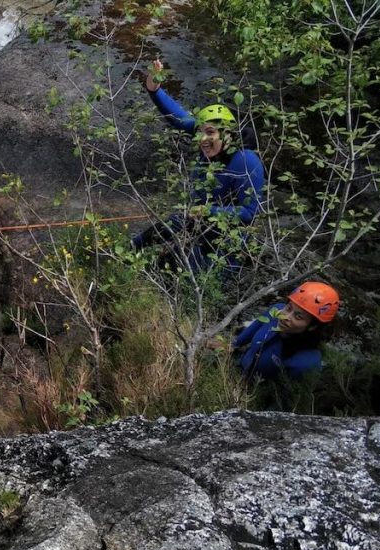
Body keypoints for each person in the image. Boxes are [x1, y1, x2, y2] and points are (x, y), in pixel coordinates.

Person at [133, 59, 266, 272]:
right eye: (201, 131)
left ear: (228, 133)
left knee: (186, 277)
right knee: (155, 240)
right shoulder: (205, 137)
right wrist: (154, 88)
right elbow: (177, 116)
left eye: (211, 132)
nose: (203, 139)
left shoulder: (246, 162)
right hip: (197, 217)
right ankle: (129, 250)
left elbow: (249, 212)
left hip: (226, 238)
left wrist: (208, 210)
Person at [231, 281, 339, 410]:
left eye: (298, 317)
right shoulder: (275, 311)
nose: (285, 317)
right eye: (288, 308)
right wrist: (228, 346)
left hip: (254, 396)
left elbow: (282, 402)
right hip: (238, 367)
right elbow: (245, 336)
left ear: (313, 326)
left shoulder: (306, 362)